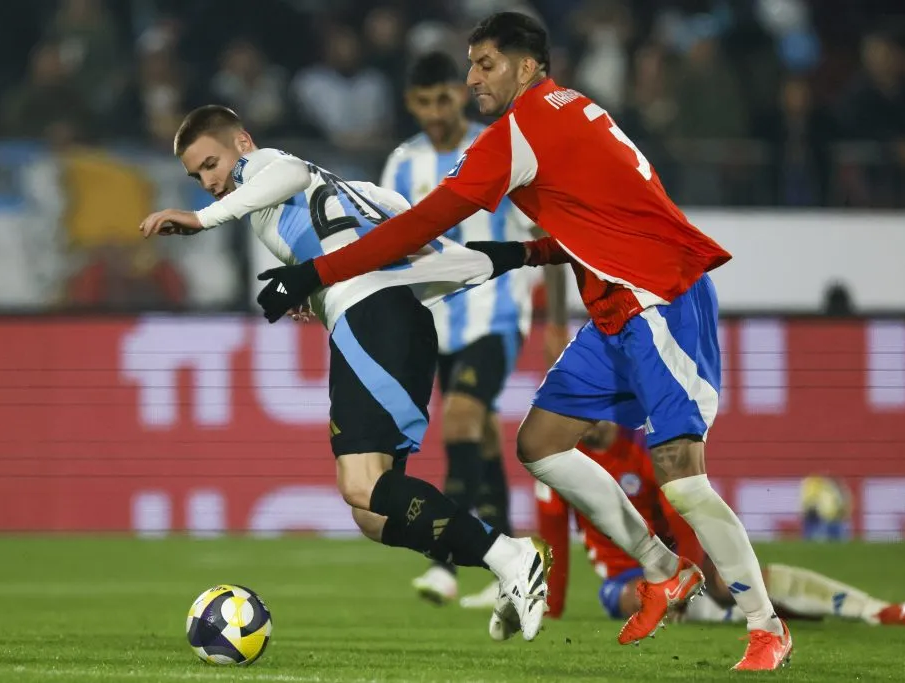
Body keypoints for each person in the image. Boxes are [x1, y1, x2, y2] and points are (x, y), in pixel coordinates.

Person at [252, 12, 791, 670]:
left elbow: (422, 223)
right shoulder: (570, 109)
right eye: (470, 64)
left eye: (486, 64)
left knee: (680, 473)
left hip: (659, 298)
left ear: (528, 66)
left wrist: (315, 272)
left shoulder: (522, 131)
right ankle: (663, 569)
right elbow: (599, 215)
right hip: (615, 306)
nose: (472, 78)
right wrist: (530, 254)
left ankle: (765, 626)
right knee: (540, 443)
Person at [138, 105, 552, 641]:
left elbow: (287, 172)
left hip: (371, 320)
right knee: (373, 515)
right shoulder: (352, 190)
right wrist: (529, 254)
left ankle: (510, 557)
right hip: (399, 321)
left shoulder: (264, 166)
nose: (210, 182)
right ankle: (504, 561)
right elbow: (410, 230)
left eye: (211, 164)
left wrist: (203, 217)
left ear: (241, 142)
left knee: (362, 483)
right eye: (197, 177)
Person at [383, 51, 562, 608]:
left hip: (496, 314)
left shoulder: (500, 147)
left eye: (443, 99)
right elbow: (386, 243)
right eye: (423, 102)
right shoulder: (402, 165)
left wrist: (557, 322)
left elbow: (550, 232)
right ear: (410, 103)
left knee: (459, 419)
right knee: (479, 431)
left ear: (460, 94)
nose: (435, 113)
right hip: (435, 321)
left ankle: (444, 565)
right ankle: (511, 569)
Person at [535, 422, 905, 628]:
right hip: (623, 577)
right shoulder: (559, 460)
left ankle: (874, 610)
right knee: (636, 597)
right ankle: (753, 615)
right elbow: (553, 537)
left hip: (677, 559)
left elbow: (681, 517)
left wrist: (684, 574)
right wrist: (550, 608)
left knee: (729, 580)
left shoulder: (643, 447)